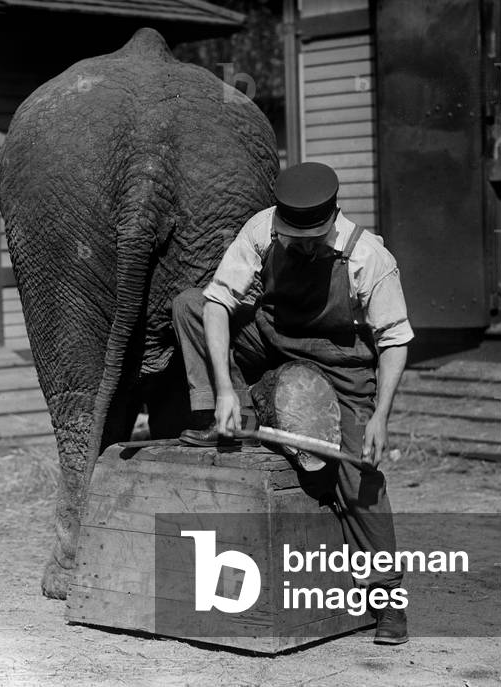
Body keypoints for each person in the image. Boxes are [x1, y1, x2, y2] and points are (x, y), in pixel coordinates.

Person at [172, 162, 412, 644]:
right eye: (292, 236)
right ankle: (235, 412)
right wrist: (222, 388)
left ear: (334, 217)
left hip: (340, 362)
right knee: (191, 305)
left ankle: (386, 598)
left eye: (311, 238)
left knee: (356, 473)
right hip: (274, 338)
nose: (300, 245)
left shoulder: (369, 257)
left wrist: (380, 418)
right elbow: (218, 302)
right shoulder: (261, 230)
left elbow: (394, 341)